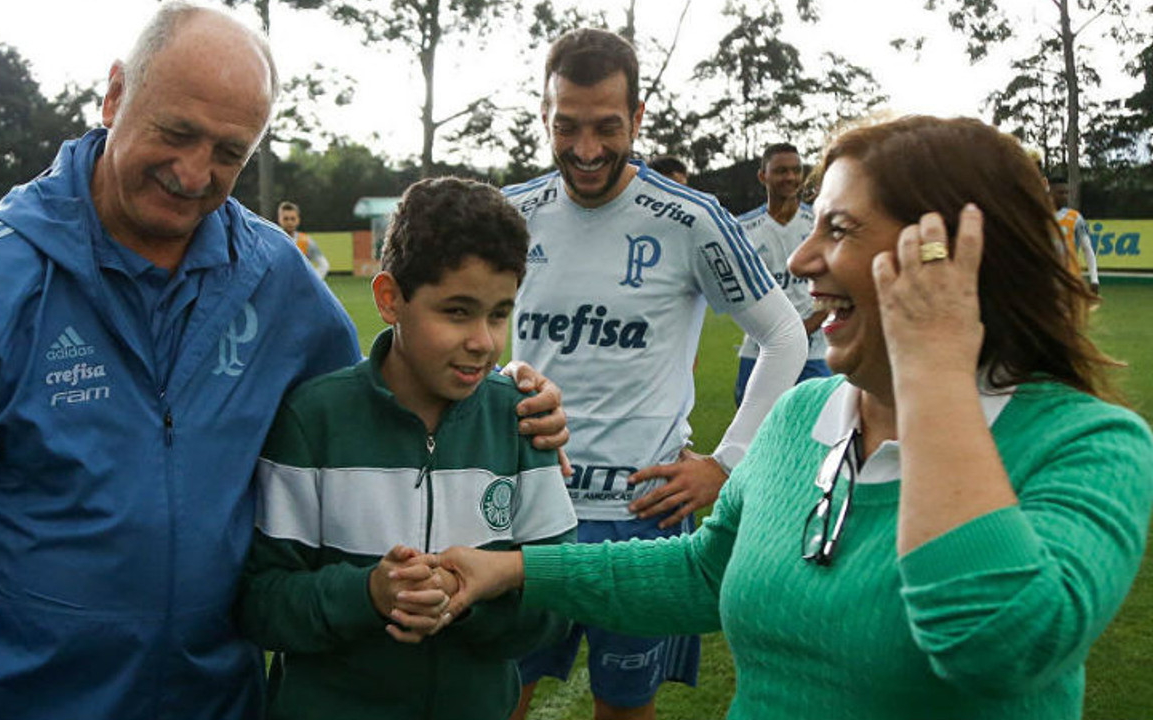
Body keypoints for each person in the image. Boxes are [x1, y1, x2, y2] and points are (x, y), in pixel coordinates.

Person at [0, 5, 566, 720]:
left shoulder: (279, 283)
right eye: (175, 133)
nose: (194, 172)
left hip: (219, 705)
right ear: (114, 96)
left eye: (230, 153)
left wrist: (499, 392)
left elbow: (379, 397)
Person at [430, 115, 1153, 720]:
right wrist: (510, 569)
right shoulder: (803, 413)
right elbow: (704, 570)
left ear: (947, 257)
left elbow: (991, 644)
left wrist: (931, 369)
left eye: (838, 229)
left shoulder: (1089, 446)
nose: (803, 257)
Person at [501, 28, 806, 720]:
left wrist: (727, 464)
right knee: (492, 701)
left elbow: (784, 333)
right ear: (544, 114)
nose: (585, 150)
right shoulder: (511, 214)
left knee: (625, 709)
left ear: (637, 119)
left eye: (607, 127)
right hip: (526, 509)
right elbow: (476, 332)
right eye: (566, 126)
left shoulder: (690, 219)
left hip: (641, 522)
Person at [235, 177, 578, 720]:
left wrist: (468, 600)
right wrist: (368, 595)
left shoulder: (522, 422)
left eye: (498, 313)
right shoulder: (313, 419)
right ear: (391, 298)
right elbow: (263, 603)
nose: (484, 341)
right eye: (457, 312)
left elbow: (562, 598)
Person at [734, 142, 831, 406]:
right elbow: (735, 293)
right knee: (752, 435)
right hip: (760, 349)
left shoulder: (821, 223)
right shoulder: (741, 229)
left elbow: (835, 284)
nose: (790, 177)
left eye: (796, 170)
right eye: (780, 171)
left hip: (813, 350)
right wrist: (774, 332)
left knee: (818, 433)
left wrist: (802, 329)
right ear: (762, 176)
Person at [1048, 179, 1100, 294]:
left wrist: (1094, 279)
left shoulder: (1075, 217)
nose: (1065, 196)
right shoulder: (1040, 216)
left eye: (1067, 193)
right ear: (1050, 193)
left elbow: (1087, 249)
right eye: (1061, 193)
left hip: (1070, 277)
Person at [277, 200, 331, 279]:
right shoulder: (272, 240)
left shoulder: (306, 242)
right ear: (279, 219)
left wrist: (312, 281)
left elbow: (324, 265)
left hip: (299, 289)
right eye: (285, 219)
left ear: (298, 220)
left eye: (293, 219)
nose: (289, 222)